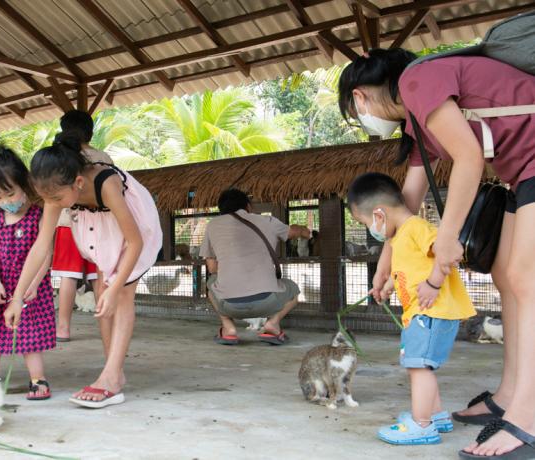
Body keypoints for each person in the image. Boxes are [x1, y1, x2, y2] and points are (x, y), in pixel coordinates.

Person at [338, 48, 535, 458]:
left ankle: (527, 418)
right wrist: (383, 268)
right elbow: (402, 209)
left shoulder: (417, 81)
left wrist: (447, 240)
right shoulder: (417, 126)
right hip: (523, 174)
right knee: (506, 277)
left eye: (356, 112)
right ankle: (509, 396)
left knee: (525, 280)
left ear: (360, 98)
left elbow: (469, 158)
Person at [4, 133, 162, 409]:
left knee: (121, 294)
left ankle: (111, 377)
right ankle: (113, 369)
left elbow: (134, 241)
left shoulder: (107, 183)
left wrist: (115, 288)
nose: (50, 202)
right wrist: (17, 297)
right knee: (103, 292)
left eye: (54, 197)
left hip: (136, 227)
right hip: (99, 227)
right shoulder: (55, 190)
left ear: (78, 182)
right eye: (44, 197)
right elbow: (41, 246)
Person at [348, 172, 476, 445]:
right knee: (421, 367)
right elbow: (409, 271)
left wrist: (433, 283)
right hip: (421, 315)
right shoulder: (401, 237)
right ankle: (435, 414)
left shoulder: (416, 227)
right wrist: (387, 288)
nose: (370, 229)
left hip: (430, 312)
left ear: (379, 215)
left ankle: (421, 425)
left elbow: (449, 252)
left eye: (365, 222)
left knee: (419, 368)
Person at [0, 148, 55, 400]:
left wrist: (34, 284)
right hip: (0, 286)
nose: (5, 201)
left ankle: (38, 379)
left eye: (10, 193)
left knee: (30, 333)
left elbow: (45, 254)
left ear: (25, 185)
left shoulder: (39, 215)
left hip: (31, 286)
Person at [200, 188, 309, 346]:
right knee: (293, 289)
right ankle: (273, 323)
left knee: (211, 284)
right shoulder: (268, 221)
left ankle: (228, 327)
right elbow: (292, 232)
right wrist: (305, 232)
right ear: (248, 206)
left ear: (221, 208)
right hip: (267, 302)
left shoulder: (212, 225)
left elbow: (212, 269)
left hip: (229, 305)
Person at [52, 110, 113, 342]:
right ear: (90, 131)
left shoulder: (60, 158)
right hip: (100, 225)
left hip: (69, 223)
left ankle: (63, 328)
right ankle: (105, 326)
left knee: (69, 277)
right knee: (99, 277)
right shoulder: (103, 156)